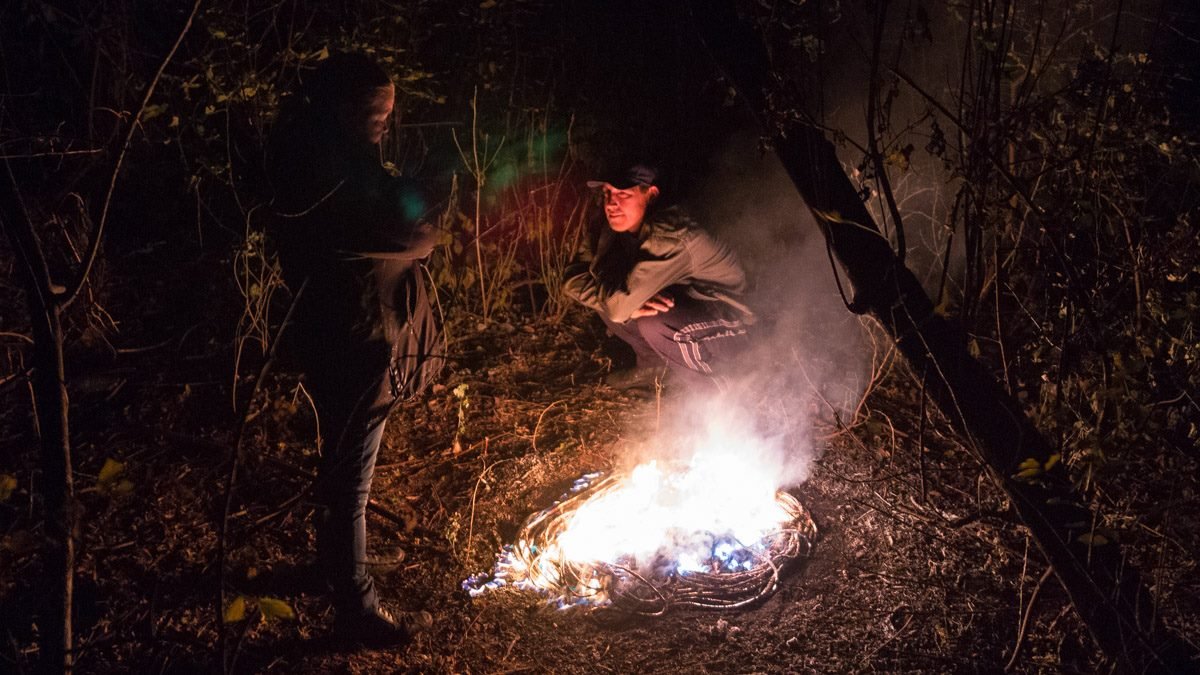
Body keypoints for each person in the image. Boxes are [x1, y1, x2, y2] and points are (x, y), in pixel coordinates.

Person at [266, 52, 442, 644]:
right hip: (353, 331)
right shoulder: (333, 169)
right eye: (376, 114)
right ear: (343, 108)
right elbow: (410, 232)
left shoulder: (316, 153)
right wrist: (429, 198)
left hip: (334, 324)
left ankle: (332, 571)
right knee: (352, 474)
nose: (385, 124)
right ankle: (355, 610)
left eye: (389, 113)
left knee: (340, 458)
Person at [563, 164, 753, 391]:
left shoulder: (671, 233)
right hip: (687, 308)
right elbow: (572, 278)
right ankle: (653, 367)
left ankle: (720, 395)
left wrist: (622, 305)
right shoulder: (611, 227)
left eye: (623, 194)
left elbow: (615, 306)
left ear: (651, 195)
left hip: (735, 324)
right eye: (608, 193)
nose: (612, 203)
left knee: (649, 319)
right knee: (613, 295)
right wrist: (624, 305)